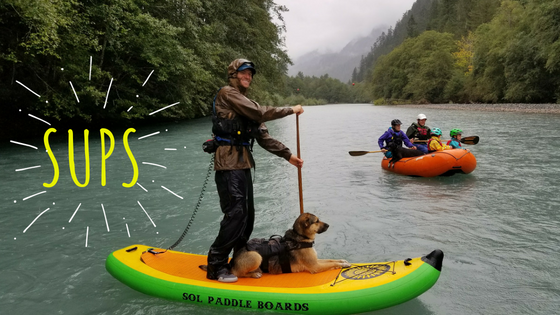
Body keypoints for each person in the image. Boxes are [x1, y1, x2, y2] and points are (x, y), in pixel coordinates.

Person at [206, 58, 304, 283]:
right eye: (243, 73)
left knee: (247, 217)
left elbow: (263, 137)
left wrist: (288, 155)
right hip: (228, 165)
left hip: (243, 164)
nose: (247, 77)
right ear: (233, 75)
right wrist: (291, 109)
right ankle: (216, 265)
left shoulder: (246, 102)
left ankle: (239, 262)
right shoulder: (227, 94)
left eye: (250, 74)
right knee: (235, 215)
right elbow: (260, 113)